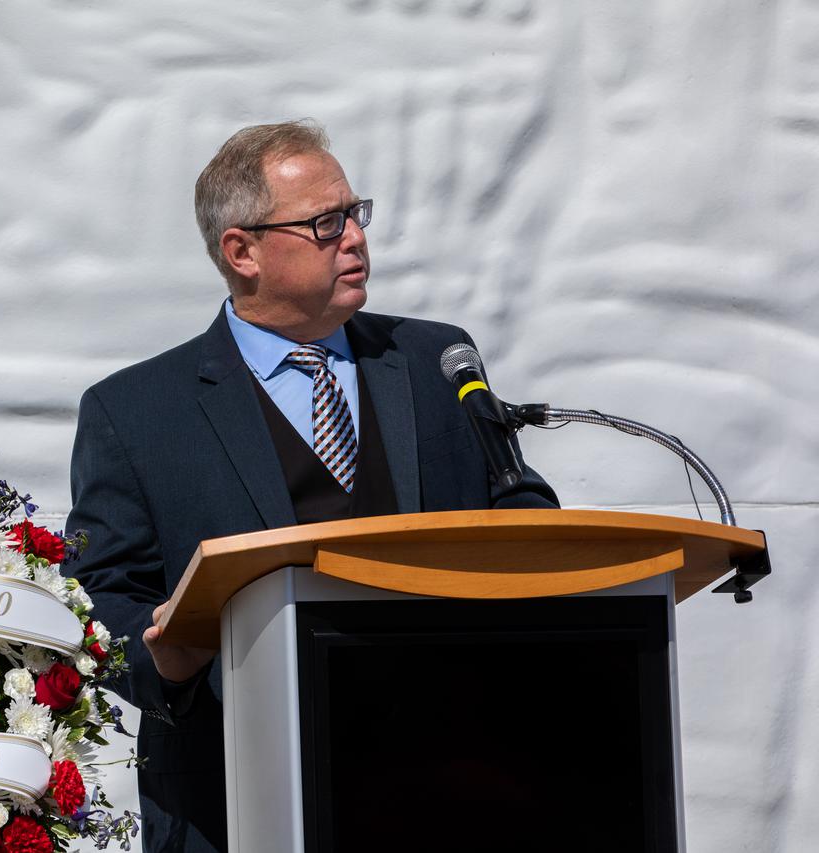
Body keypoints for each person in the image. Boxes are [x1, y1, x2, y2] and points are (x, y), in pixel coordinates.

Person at [65, 120, 558, 853]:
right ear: (243, 251)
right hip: (237, 796)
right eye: (326, 223)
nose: (355, 237)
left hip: (451, 784)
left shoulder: (431, 358)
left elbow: (517, 500)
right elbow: (98, 597)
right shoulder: (136, 411)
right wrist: (159, 653)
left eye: (355, 213)